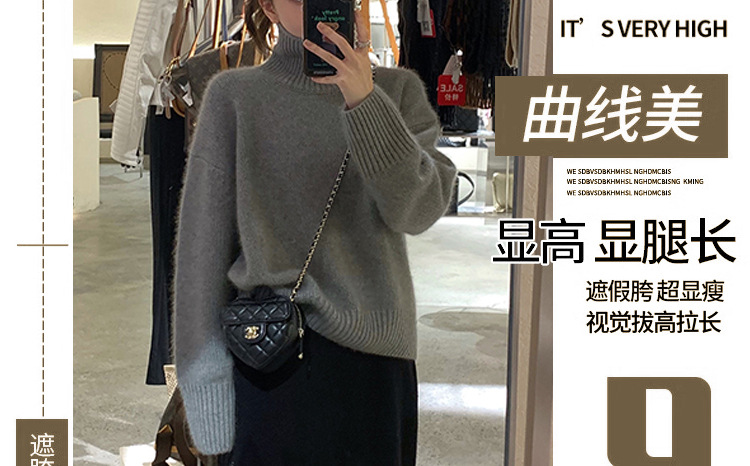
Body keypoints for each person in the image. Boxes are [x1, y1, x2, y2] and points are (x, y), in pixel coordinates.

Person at [172, 0, 457, 463]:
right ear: (269, 6)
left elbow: (419, 211)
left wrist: (364, 101)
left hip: (376, 366)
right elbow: (201, 256)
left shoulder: (397, 91)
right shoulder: (235, 97)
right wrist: (207, 396)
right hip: (270, 361)